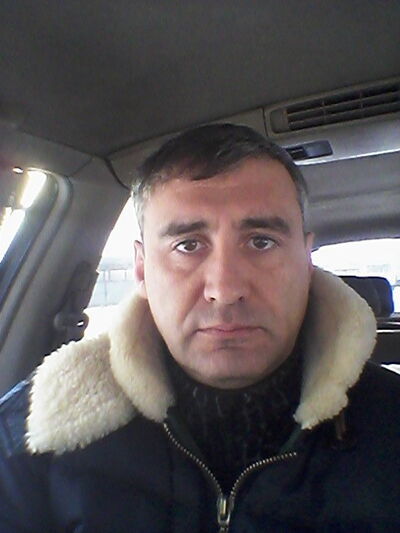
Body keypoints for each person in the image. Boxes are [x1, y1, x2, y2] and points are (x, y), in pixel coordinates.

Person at [0, 123, 399, 533]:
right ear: (142, 270)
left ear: (306, 261)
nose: (224, 290)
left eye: (261, 242)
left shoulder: (391, 427)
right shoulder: (33, 437)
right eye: (187, 245)